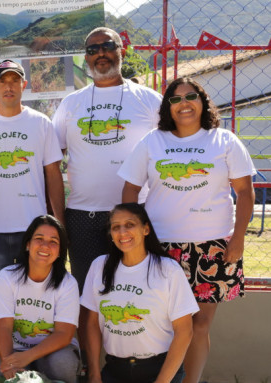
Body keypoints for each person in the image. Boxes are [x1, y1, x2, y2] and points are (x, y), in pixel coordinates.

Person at [118, 77, 255, 383]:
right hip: (162, 248)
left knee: (200, 323)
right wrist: (134, 235)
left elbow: (245, 192)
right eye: (175, 99)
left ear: (203, 102)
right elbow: (130, 188)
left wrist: (238, 239)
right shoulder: (153, 142)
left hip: (214, 246)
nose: (184, 104)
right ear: (168, 107)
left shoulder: (225, 141)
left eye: (190, 96)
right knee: (166, 323)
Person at [52, 27, 163, 292]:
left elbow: (169, 153)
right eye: (92, 49)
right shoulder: (71, 104)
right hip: (82, 216)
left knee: (136, 290)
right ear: (86, 59)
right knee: (87, 293)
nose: (100, 53)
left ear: (120, 51)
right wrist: (58, 217)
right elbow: (52, 162)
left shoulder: (149, 100)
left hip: (136, 213)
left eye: (107, 46)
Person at [0, 60, 65, 294]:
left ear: (24, 85)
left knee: (36, 299)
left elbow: (53, 174)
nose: (8, 87)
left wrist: (60, 224)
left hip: (33, 229)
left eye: (14, 81)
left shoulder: (41, 123)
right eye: (3, 81)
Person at [81, 203, 198, 383]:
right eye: (115, 227)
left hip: (160, 370)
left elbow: (185, 330)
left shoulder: (168, 270)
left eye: (130, 225)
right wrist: (94, 375)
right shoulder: (99, 266)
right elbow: (91, 324)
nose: (122, 232)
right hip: (114, 370)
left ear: (145, 229)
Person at [0, 215, 80, 383]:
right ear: (27, 244)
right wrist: (10, 362)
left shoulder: (68, 283)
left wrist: (27, 357)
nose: (45, 245)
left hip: (55, 350)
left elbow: (64, 334)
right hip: (15, 348)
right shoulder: (7, 277)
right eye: (39, 238)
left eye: (54, 241)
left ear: (60, 250)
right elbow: (3, 328)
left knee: (63, 364)